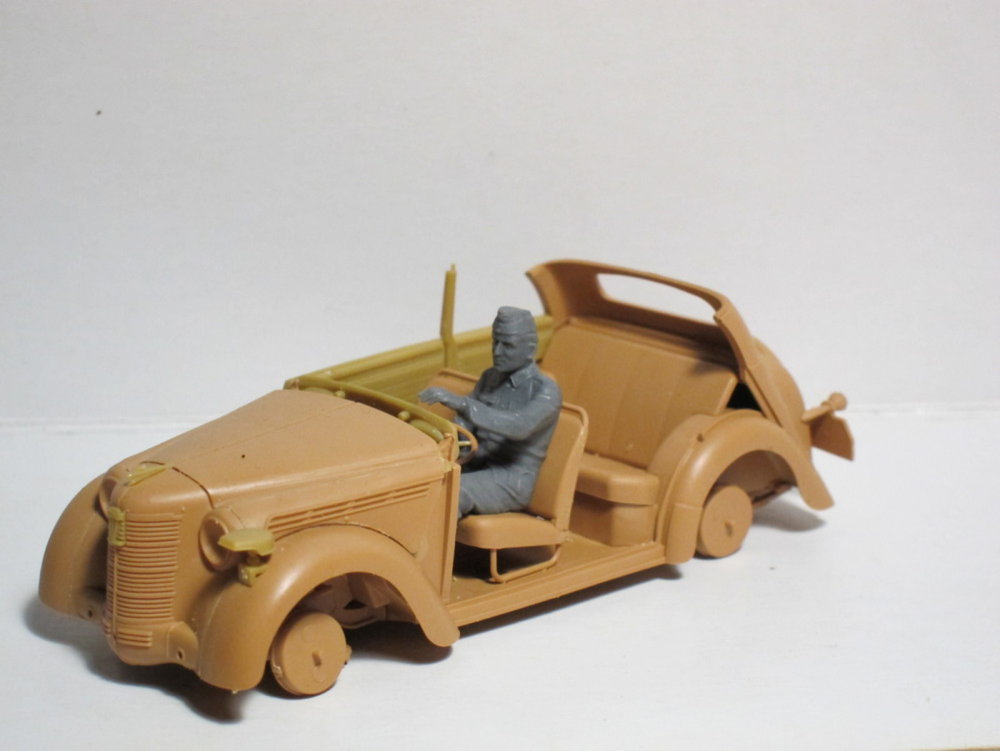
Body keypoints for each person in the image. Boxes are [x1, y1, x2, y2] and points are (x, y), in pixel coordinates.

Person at [419, 307, 561, 517]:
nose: (498, 351)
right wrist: (454, 441)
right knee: (418, 479)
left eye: (508, 345)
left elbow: (519, 426)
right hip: (474, 463)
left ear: (530, 348)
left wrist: (462, 404)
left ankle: (431, 540)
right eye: (496, 342)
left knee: (453, 492)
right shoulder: (490, 377)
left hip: (511, 478)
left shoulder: (545, 391)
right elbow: (465, 424)